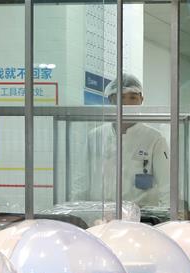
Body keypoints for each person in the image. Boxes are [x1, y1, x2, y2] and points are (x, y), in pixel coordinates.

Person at [72, 73, 170, 211]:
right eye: (121, 97)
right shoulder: (95, 136)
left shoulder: (154, 139)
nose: (127, 103)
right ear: (111, 100)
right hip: (99, 213)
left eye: (133, 97)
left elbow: (167, 185)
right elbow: (81, 180)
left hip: (141, 215)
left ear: (141, 100)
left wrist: (168, 216)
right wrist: (75, 213)